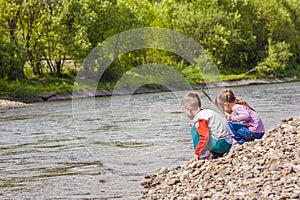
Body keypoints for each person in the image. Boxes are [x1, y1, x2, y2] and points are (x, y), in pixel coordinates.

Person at [181, 92, 233, 163]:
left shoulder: (200, 119)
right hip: (228, 143)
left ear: (189, 109)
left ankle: (202, 155)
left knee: (194, 129)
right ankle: (214, 154)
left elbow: (204, 137)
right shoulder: (206, 112)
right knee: (196, 127)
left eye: (184, 111)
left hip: (221, 145)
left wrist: (197, 153)